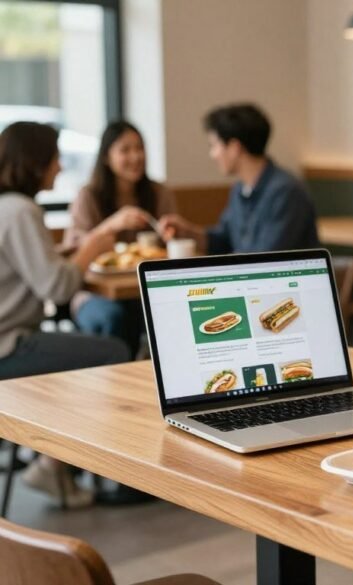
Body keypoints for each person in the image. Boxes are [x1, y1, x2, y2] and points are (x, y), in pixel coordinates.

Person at [0, 121, 131, 507]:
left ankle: (53, 463)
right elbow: (56, 288)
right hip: (10, 347)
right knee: (112, 353)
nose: (59, 167)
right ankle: (62, 464)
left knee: (88, 343)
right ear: (35, 162)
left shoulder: (7, 207)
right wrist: (90, 247)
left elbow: (34, 273)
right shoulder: (20, 210)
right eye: (54, 158)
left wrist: (70, 254)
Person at [64, 121, 176, 354]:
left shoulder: (158, 193)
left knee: (172, 312)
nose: (135, 157)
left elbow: (171, 245)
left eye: (139, 148)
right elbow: (73, 251)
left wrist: (172, 233)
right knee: (113, 317)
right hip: (92, 292)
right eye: (125, 150)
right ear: (106, 157)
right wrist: (111, 225)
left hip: (145, 289)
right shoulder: (88, 196)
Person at [157, 103, 319, 253]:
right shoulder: (240, 189)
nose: (212, 155)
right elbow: (223, 241)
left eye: (214, 146)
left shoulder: (285, 193)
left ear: (234, 148)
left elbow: (267, 261)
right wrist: (186, 232)